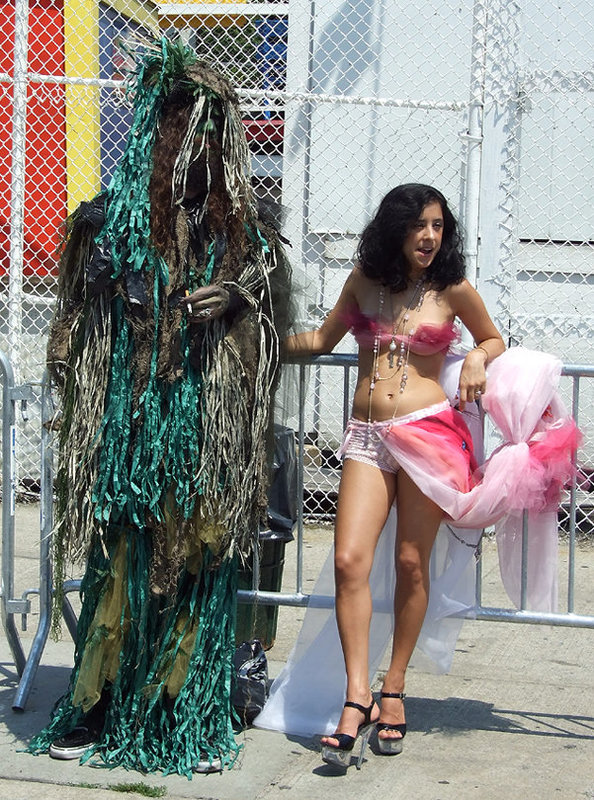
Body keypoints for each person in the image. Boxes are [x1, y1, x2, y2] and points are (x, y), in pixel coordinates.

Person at [28, 37, 292, 776]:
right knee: (120, 568)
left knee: (196, 569)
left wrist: (240, 298)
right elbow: (72, 325)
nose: (204, 146)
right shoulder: (108, 222)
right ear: (160, 130)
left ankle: (184, 714)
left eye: (216, 131)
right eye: (189, 126)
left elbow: (272, 317)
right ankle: (99, 706)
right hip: (129, 436)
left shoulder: (249, 238)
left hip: (204, 437)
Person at [264, 183, 578, 768]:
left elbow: (490, 336)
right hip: (365, 437)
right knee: (347, 562)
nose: (430, 236)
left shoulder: (451, 288)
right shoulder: (362, 280)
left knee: (412, 561)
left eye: (438, 226)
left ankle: (394, 687)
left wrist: (480, 357)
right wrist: (249, 337)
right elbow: (319, 341)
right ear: (396, 230)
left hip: (430, 437)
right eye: (419, 226)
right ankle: (356, 694)